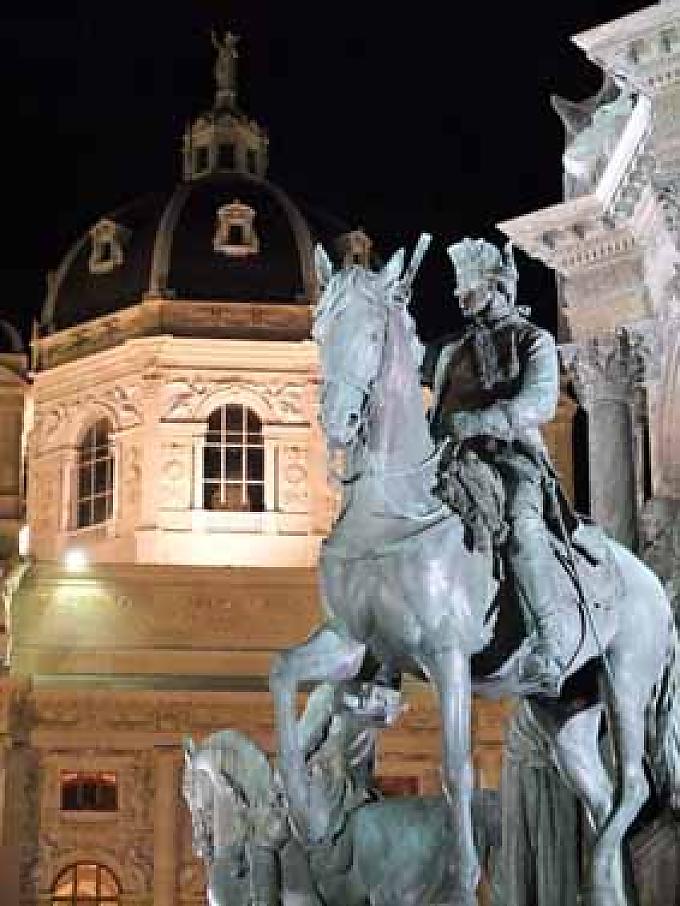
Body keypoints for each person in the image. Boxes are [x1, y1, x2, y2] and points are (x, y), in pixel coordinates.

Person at [428, 237, 567, 695]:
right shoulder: (451, 351)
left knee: (523, 523)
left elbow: (541, 402)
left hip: (511, 458)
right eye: (460, 291)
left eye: (471, 288)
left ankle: (549, 641)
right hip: (452, 459)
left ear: (497, 286)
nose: (463, 298)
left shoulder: (534, 340)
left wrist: (485, 420)